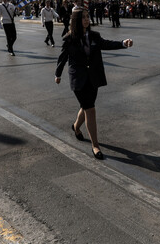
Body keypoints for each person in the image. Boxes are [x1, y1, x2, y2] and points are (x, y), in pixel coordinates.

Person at [55, 8, 133, 160]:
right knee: (90, 109)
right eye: (83, 17)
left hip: (93, 77)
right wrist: (57, 74)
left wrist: (123, 43)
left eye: (87, 17)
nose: (86, 19)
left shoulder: (94, 36)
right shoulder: (69, 38)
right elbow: (62, 58)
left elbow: (106, 44)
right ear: (76, 20)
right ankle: (95, 145)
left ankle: (76, 127)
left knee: (86, 106)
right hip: (78, 79)